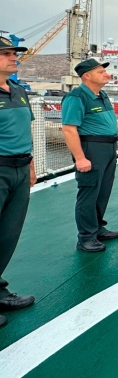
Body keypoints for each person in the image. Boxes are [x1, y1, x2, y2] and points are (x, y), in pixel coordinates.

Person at [61, 58, 118, 252]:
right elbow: (69, 129)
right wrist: (80, 158)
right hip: (91, 148)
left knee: (103, 191)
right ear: (86, 76)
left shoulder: (101, 94)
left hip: (108, 148)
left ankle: (97, 228)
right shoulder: (77, 97)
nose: (107, 74)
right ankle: (86, 237)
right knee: (89, 193)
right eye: (100, 72)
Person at [0, 37, 36, 326]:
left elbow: (26, 130)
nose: (14, 58)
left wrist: (31, 166)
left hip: (21, 169)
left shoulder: (19, 90)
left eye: (14, 54)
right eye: (7, 54)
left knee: (8, 234)